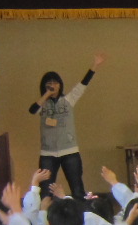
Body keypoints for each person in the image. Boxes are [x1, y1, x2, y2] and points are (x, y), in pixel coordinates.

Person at [28, 52, 106, 198]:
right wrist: (46, 95)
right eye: (49, 83)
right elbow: (32, 110)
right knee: (46, 190)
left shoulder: (68, 100)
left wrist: (95, 65)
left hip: (69, 151)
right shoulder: (42, 103)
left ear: (60, 84)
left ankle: (81, 215)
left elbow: (83, 84)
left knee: (77, 188)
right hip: (48, 153)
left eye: (55, 83)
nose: (52, 86)